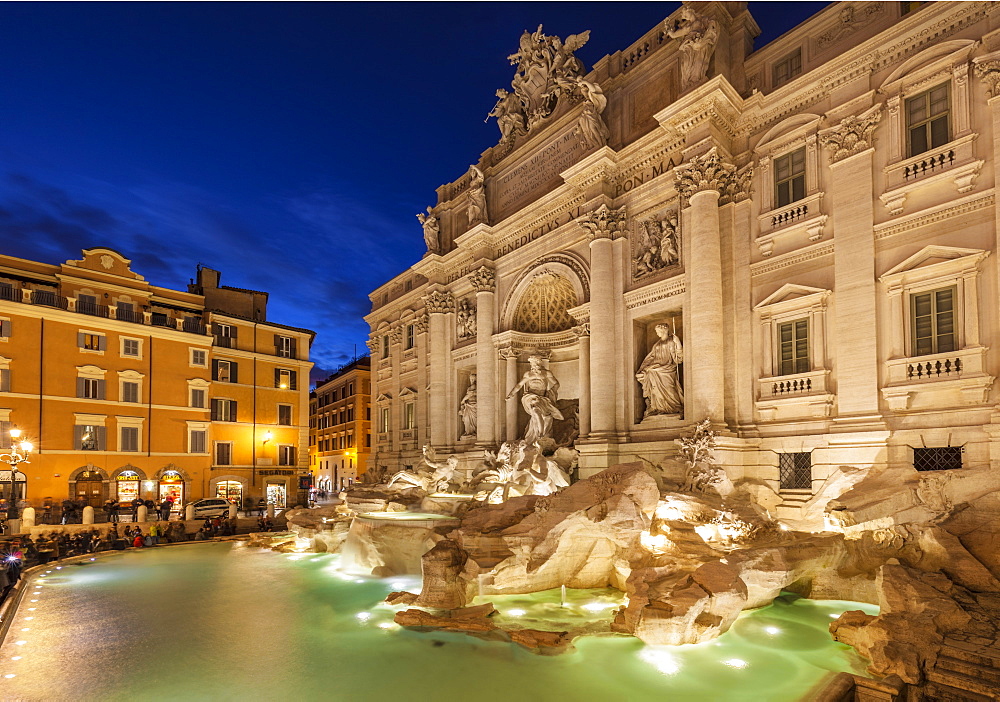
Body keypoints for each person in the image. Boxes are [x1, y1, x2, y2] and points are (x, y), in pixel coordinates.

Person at [505, 355, 563, 444]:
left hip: (542, 398)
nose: (533, 365)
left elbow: (556, 384)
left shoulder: (547, 373)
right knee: (536, 411)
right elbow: (519, 385)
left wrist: (551, 392)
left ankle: (541, 435)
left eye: (534, 362)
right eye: (532, 363)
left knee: (542, 415)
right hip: (530, 397)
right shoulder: (528, 374)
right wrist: (511, 394)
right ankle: (541, 434)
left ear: (539, 363)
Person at [635, 323, 684, 417]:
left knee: (669, 387)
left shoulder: (671, 341)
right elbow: (651, 357)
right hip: (656, 367)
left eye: (658, 332)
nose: (657, 334)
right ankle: (657, 407)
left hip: (668, 367)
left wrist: (677, 343)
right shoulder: (657, 344)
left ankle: (674, 407)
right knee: (649, 372)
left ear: (663, 331)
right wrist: (643, 368)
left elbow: (678, 358)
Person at [459, 374, 478, 438]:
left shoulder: (474, 386)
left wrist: (463, 400)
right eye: (471, 379)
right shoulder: (471, 386)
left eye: (473, 379)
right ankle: (469, 432)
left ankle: (471, 432)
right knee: (467, 419)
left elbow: (470, 395)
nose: (471, 380)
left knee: (470, 419)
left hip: (473, 405)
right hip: (469, 405)